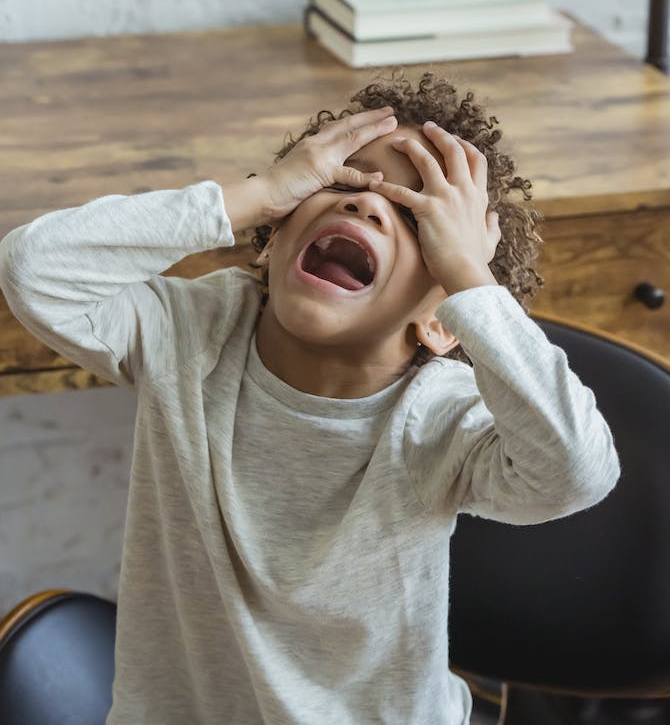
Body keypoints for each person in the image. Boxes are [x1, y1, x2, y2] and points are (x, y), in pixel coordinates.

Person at [0, 70, 620, 725]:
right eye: (341, 181)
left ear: (442, 321)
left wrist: (468, 273)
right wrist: (254, 194)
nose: (365, 204)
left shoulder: (438, 419)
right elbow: (34, 271)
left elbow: (575, 472)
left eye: (418, 219)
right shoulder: (190, 335)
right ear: (270, 241)